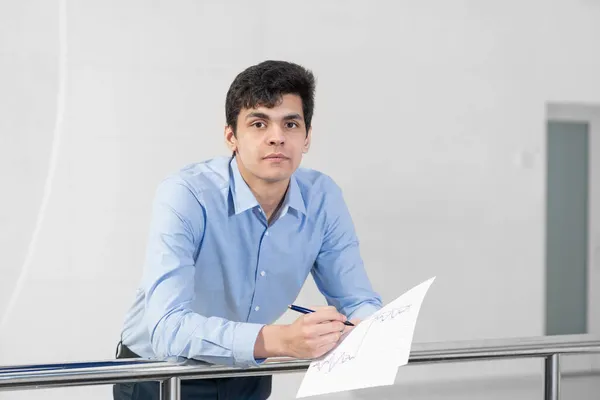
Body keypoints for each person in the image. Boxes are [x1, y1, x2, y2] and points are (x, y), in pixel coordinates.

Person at [113, 60, 382, 400]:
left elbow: (357, 299)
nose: (277, 138)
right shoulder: (186, 193)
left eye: (291, 124)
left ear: (307, 137)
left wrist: (366, 328)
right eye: (258, 123)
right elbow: (168, 328)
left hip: (247, 369)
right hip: (163, 372)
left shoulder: (323, 197)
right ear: (231, 137)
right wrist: (283, 340)